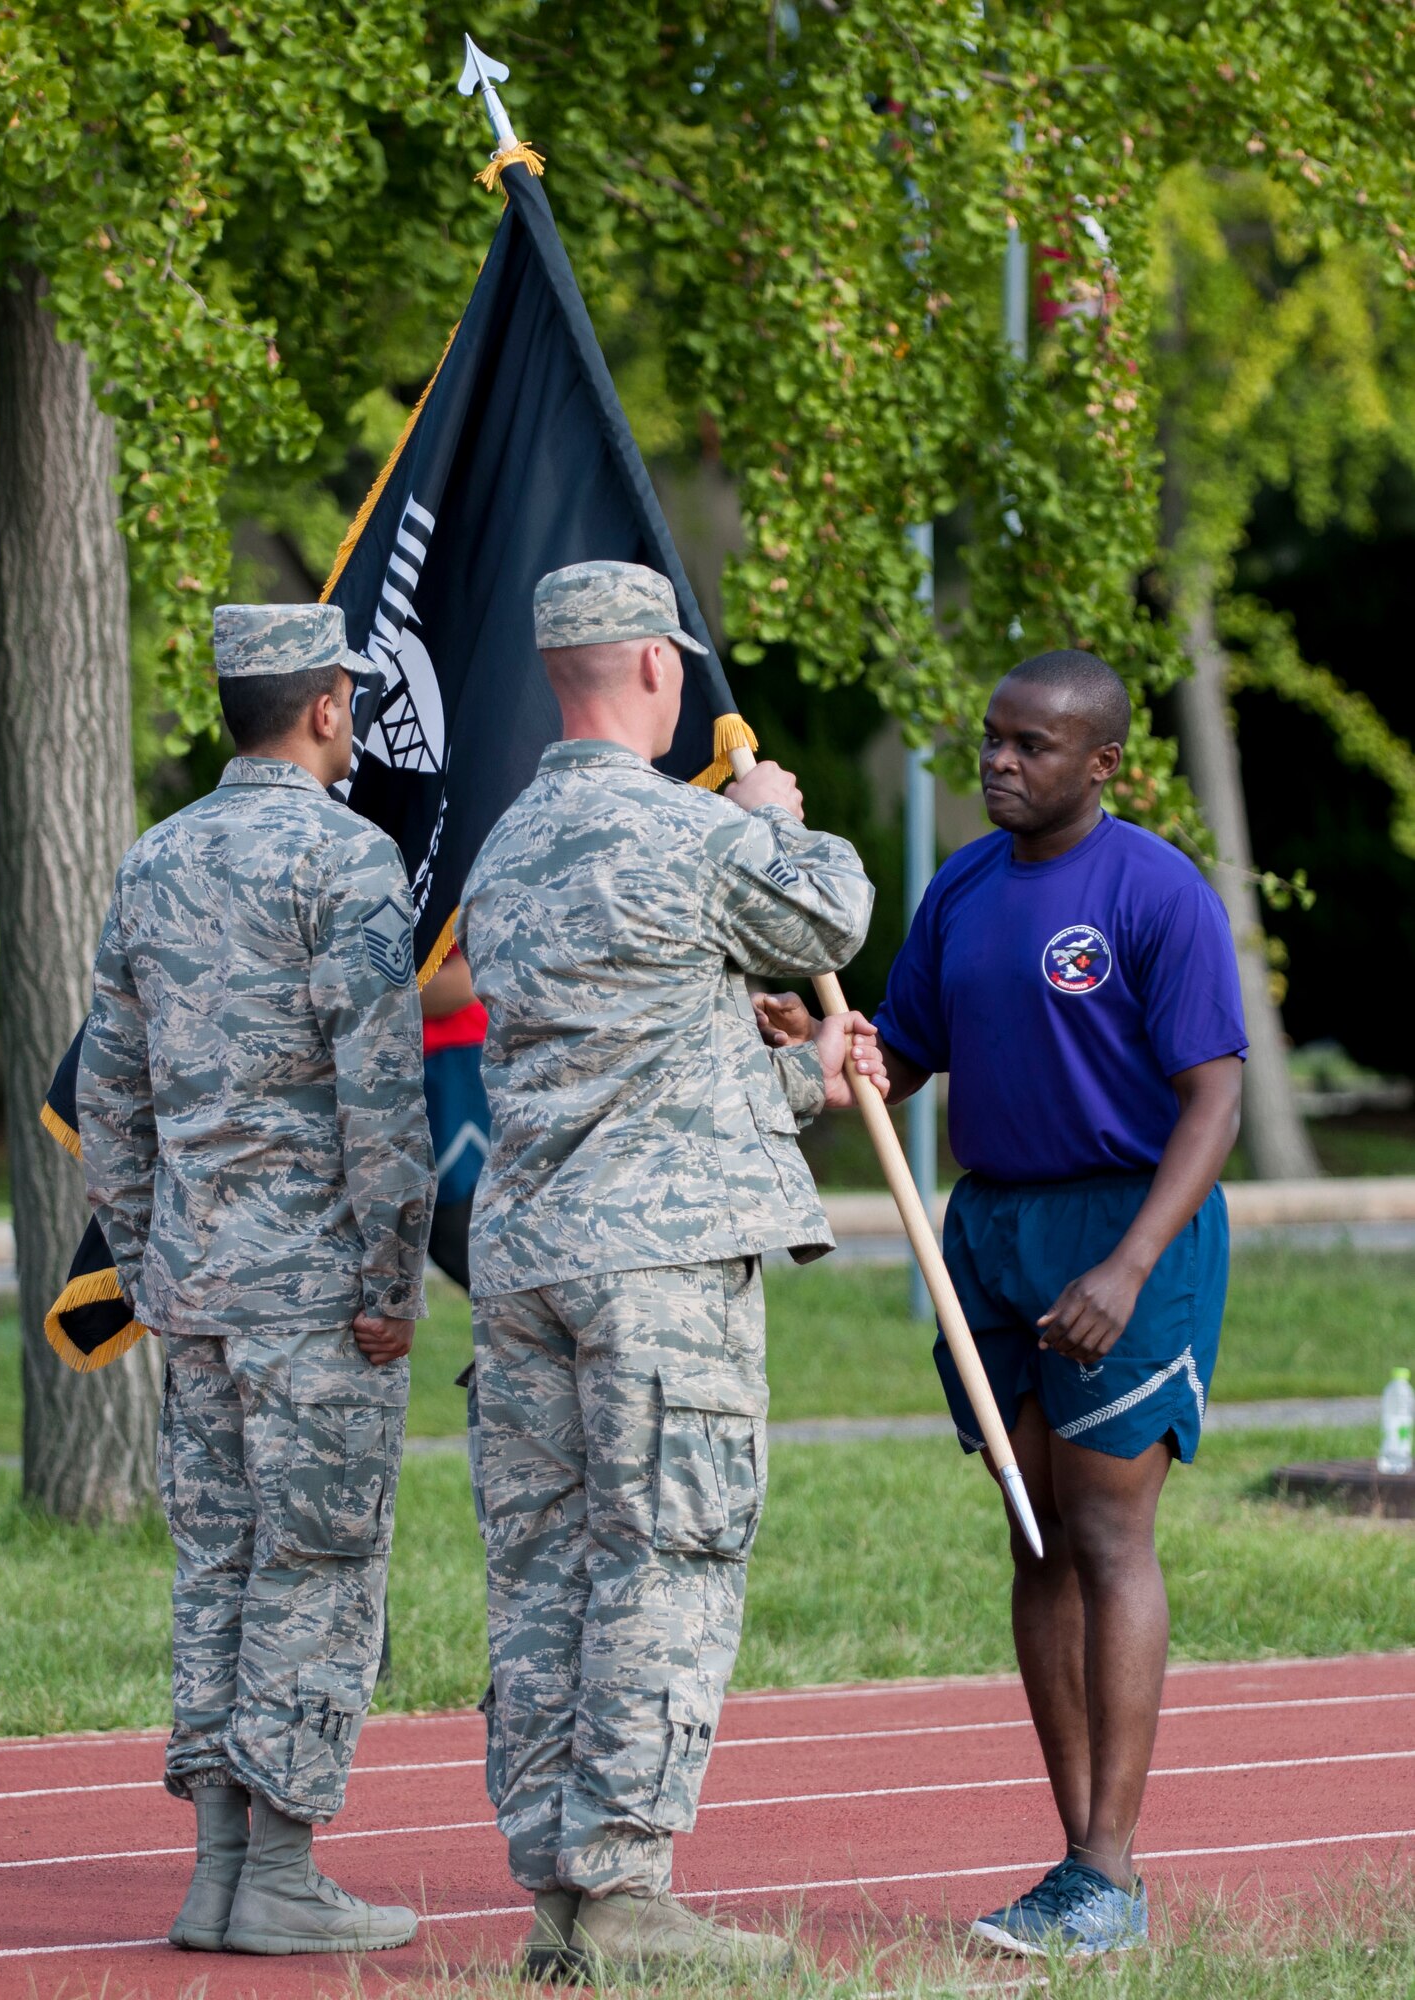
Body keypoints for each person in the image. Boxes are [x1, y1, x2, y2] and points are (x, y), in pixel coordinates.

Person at [757, 650, 1246, 1958]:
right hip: (992, 1232)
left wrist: (1131, 1264)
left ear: (1103, 765)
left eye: (1032, 746)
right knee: (1035, 1538)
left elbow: (1217, 1098)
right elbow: (905, 1057)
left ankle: (1110, 1868)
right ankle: (1078, 1857)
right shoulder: (966, 887)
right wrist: (821, 1048)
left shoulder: (1156, 891)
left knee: (1105, 1534)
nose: (998, 763)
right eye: (991, 740)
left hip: (1126, 1227)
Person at [457, 559, 884, 1977]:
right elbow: (827, 919)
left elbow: (620, 1056)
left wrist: (796, 1072)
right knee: (664, 1557)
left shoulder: (504, 855)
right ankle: (629, 1895)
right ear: (656, 668)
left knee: (546, 1573)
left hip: (528, 1256)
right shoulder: (689, 836)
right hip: (657, 1267)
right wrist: (773, 819)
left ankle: (560, 1900)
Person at [77, 603, 436, 1957]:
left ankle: (218, 1872)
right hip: (316, 1293)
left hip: (198, 1287)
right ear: (330, 708)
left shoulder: (150, 862)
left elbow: (106, 1092)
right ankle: (278, 1875)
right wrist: (391, 1277)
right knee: (316, 1565)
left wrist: (143, 1254)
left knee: (218, 1566)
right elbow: (381, 1099)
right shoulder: (345, 861)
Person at [420, 945, 490, 1293]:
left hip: (455, 1061)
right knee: (440, 1235)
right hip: (414, 1063)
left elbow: (463, 980)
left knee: (456, 1227)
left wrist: (366, 994)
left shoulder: (453, 888)